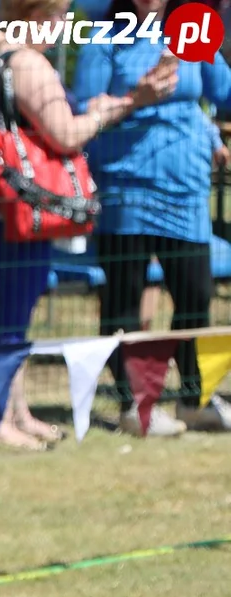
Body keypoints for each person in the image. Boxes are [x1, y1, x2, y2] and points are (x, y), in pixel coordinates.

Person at [0, 0, 172, 450]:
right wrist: (128, 104)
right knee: (10, 317)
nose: (63, 25)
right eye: (56, 16)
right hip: (15, 207)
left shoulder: (1, 54)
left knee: (11, 313)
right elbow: (66, 134)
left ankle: (16, 411)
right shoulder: (28, 61)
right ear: (32, 16)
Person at [73, 0, 231, 435]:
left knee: (196, 296)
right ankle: (134, 406)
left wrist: (211, 133)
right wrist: (136, 97)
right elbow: (84, 113)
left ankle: (195, 398)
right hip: (126, 189)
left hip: (187, 192)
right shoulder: (105, 40)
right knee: (124, 300)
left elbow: (224, 92)